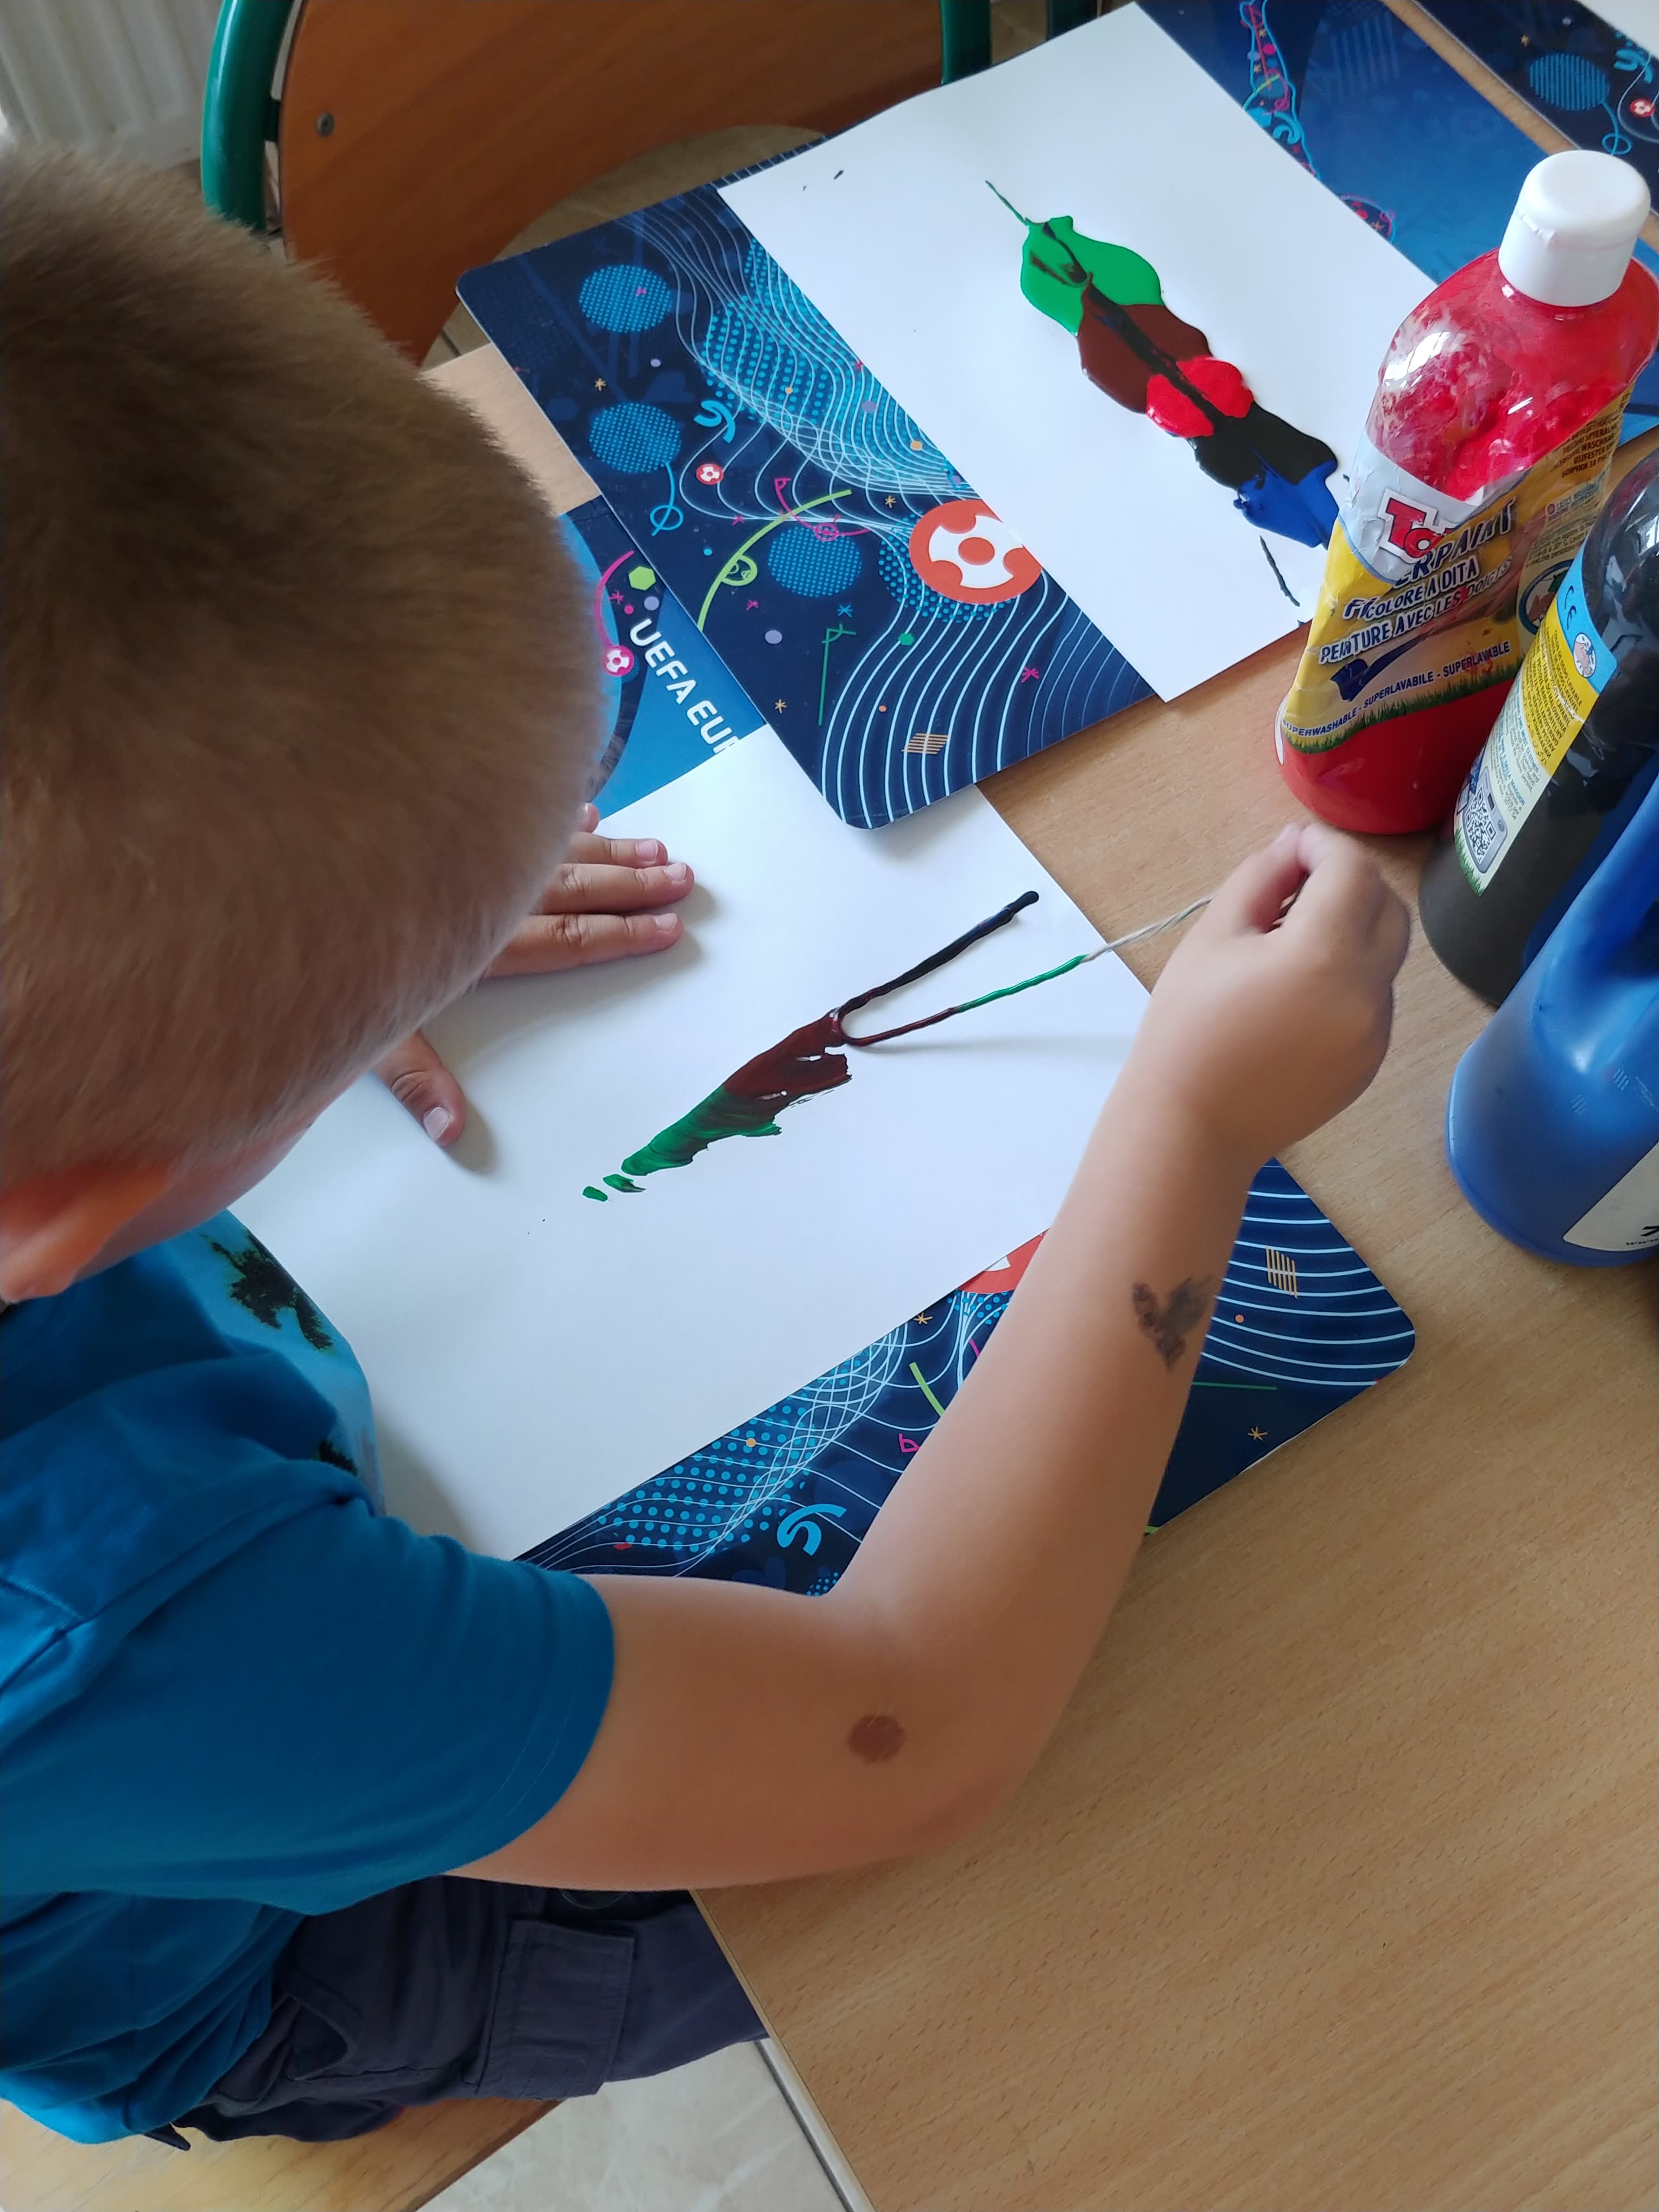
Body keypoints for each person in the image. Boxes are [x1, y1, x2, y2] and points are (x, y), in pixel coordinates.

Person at [0, 148, 1410, 2149]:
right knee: (1014, 1855)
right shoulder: (129, 1633)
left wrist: (312, 934)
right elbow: (909, 1721)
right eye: (281, 1072)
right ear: (54, 1206)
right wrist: (1191, 1119)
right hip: (247, 1952)